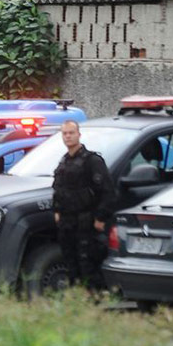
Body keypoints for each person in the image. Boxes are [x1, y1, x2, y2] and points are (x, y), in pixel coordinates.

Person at [52, 120, 115, 288]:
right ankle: (78, 302)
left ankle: (94, 302)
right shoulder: (64, 161)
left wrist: (100, 217)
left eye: (71, 133)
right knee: (71, 266)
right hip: (67, 224)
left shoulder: (92, 161)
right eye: (64, 133)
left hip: (86, 223)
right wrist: (57, 211)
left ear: (79, 134)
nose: (68, 136)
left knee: (88, 265)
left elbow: (107, 191)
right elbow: (58, 189)